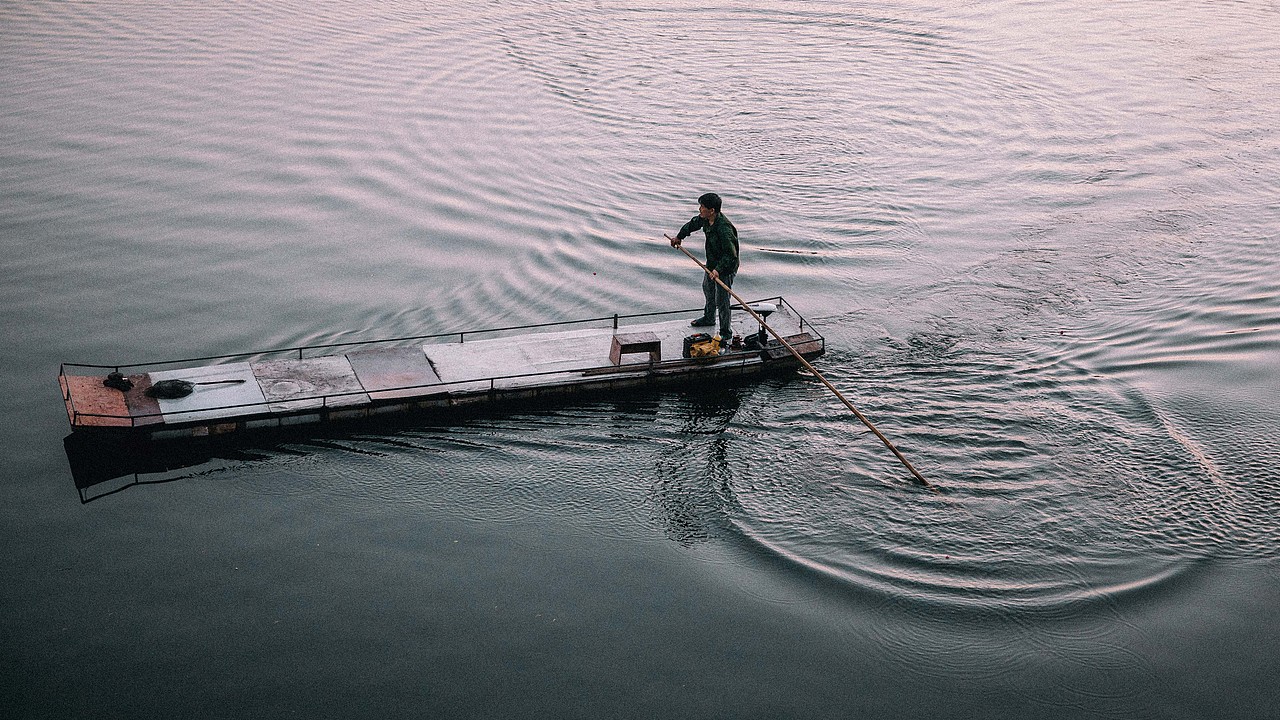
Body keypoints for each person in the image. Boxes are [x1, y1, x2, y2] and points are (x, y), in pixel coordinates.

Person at [667, 192, 739, 341]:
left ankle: (726, 331)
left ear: (712, 210)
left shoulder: (724, 228)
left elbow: (731, 255)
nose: (700, 209)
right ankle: (709, 318)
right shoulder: (706, 219)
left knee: (722, 299)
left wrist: (718, 270)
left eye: (702, 207)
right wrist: (679, 237)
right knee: (707, 288)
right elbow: (692, 224)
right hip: (712, 263)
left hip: (726, 267)